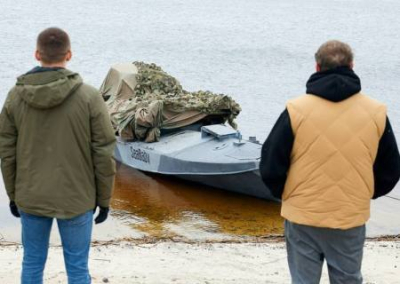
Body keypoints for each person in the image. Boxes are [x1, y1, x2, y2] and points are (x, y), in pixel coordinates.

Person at [260, 40, 400, 284]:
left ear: (317, 67)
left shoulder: (296, 110)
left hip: (302, 215)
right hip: (349, 216)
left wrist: (288, 195)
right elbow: (391, 169)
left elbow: (271, 164)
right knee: (348, 280)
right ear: (352, 66)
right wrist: (364, 193)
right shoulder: (376, 111)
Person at [0, 27, 116, 284]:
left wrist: (13, 195)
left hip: (31, 194)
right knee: (77, 268)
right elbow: (104, 152)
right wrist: (104, 198)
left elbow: (6, 153)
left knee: (32, 262)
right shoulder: (89, 96)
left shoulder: (15, 96)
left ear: (37, 54)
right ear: (69, 54)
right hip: (77, 197)